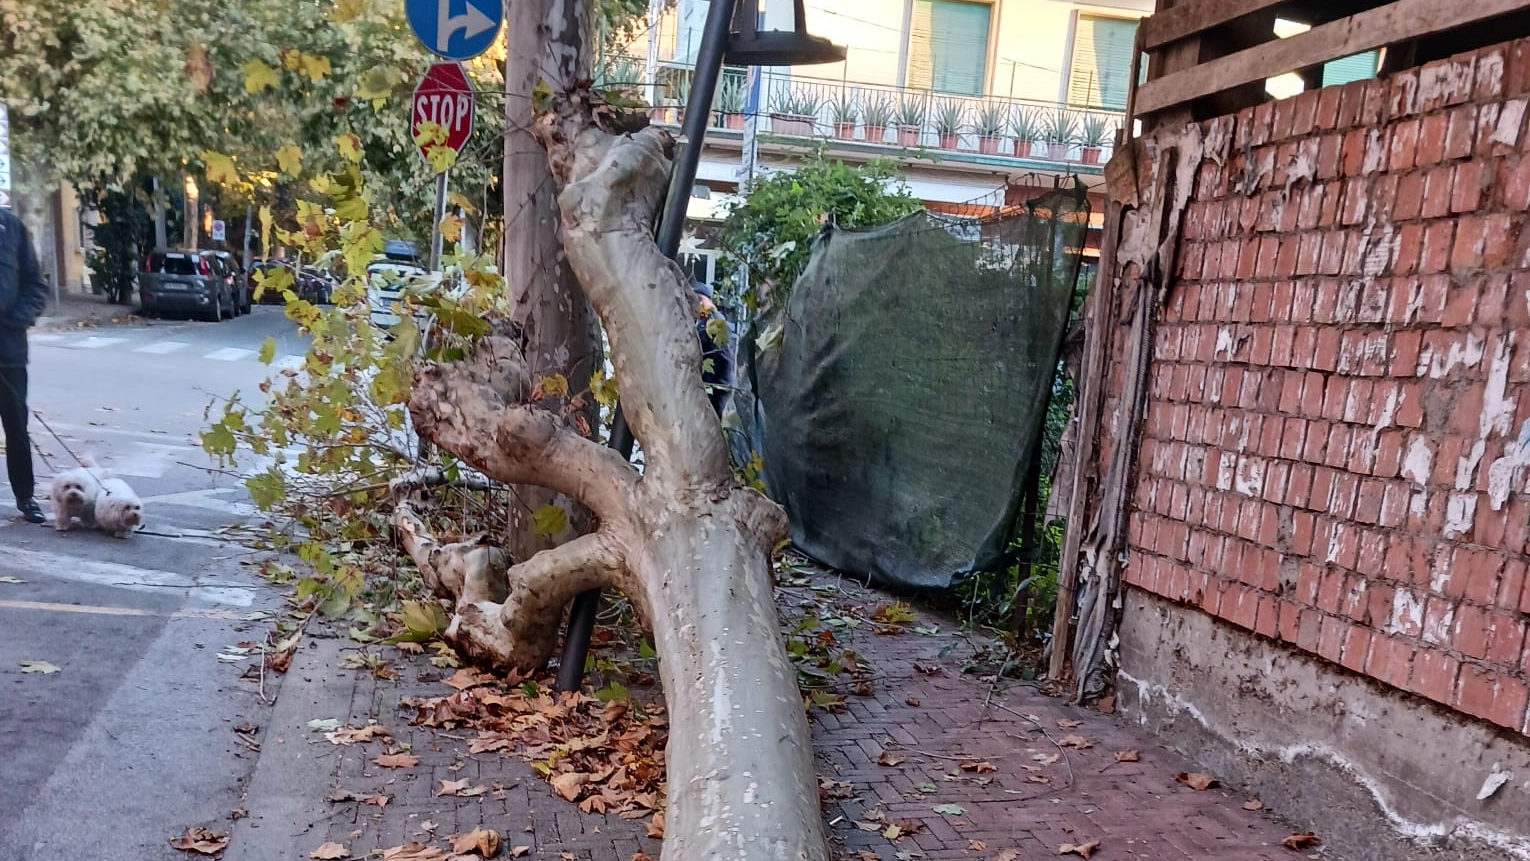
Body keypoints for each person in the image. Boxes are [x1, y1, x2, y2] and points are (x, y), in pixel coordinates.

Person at [0, 207, 50, 523]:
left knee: (17, 427)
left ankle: (25, 497)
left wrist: (15, 320)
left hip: (10, 352)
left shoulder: (13, 228)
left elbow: (36, 285)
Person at [693, 282, 735, 416]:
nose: (697, 306)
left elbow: (721, 358)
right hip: (714, 387)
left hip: (716, 389)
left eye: (700, 300)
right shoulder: (708, 321)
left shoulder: (714, 322)